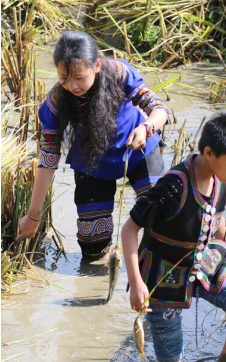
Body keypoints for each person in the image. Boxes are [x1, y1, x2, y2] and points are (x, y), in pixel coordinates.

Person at [121, 111, 226, 362]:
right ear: (209, 152)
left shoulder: (225, 182)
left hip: (204, 263)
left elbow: (217, 218)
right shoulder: (172, 188)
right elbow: (129, 229)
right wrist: (137, 283)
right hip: (164, 277)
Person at [17, 31, 170, 260]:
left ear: (96, 65)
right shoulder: (56, 103)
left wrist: (146, 128)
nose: (72, 86)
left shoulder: (120, 73)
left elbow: (159, 109)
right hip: (92, 159)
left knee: (161, 216)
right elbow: (48, 161)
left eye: (79, 77)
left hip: (138, 149)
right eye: (63, 78)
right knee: (92, 244)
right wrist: (33, 215)